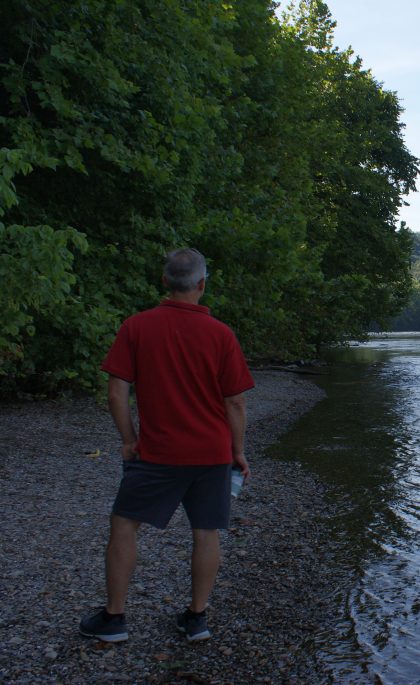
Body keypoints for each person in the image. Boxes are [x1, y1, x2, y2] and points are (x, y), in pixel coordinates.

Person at [79, 248, 254, 643]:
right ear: (202, 285)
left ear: (164, 282)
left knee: (124, 525)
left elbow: (115, 393)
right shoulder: (221, 334)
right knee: (206, 532)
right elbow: (236, 401)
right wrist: (237, 450)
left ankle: (114, 618)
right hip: (211, 453)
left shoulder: (137, 327)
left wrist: (128, 441)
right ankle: (196, 619)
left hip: (156, 452)